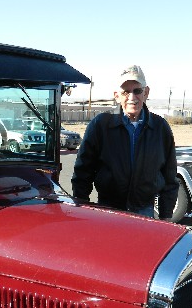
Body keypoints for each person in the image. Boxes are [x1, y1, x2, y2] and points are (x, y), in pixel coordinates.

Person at [71, 65, 178, 220]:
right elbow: (82, 172)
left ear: (146, 92)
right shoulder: (101, 125)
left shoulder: (160, 128)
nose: (132, 97)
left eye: (137, 91)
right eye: (125, 92)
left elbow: (169, 177)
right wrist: (82, 209)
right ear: (117, 95)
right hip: (108, 212)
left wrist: (166, 215)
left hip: (145, 213)